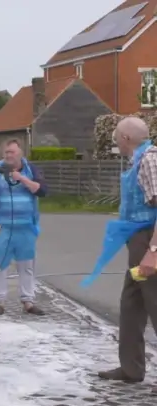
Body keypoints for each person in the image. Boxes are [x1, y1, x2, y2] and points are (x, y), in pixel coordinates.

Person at [85, 116, 157, 383]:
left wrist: (153, 251)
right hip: (137, 240)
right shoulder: (137, 160)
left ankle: (132, 367)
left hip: (149, 240)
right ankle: (131, 368)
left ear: (125, 138)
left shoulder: (150, 159)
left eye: (117, 136)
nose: (115, 141)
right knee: (131, 304)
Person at [0, 138, 47, 316]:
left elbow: (42, 190)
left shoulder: (31, 170)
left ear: (21, 153)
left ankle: (28, 301)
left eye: (12, 152)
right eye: (6, 152)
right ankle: (0, 301)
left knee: (26, 265)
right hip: (2, 227)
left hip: (26, 227)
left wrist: (22, 179)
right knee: (0, 264)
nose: (8, 155)